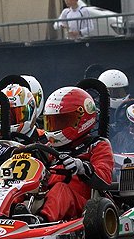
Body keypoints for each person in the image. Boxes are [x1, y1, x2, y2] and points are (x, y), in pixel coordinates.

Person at [37, 86, 113, 223]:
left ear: (82, 120)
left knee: (60, 188)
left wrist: (82, 167)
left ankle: (41, 221)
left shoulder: (97, 145)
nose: (55, 127)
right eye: (52, 122)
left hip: (84, 204)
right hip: (45, 198)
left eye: (62, 121)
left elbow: (105, 178)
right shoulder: (46, 149)